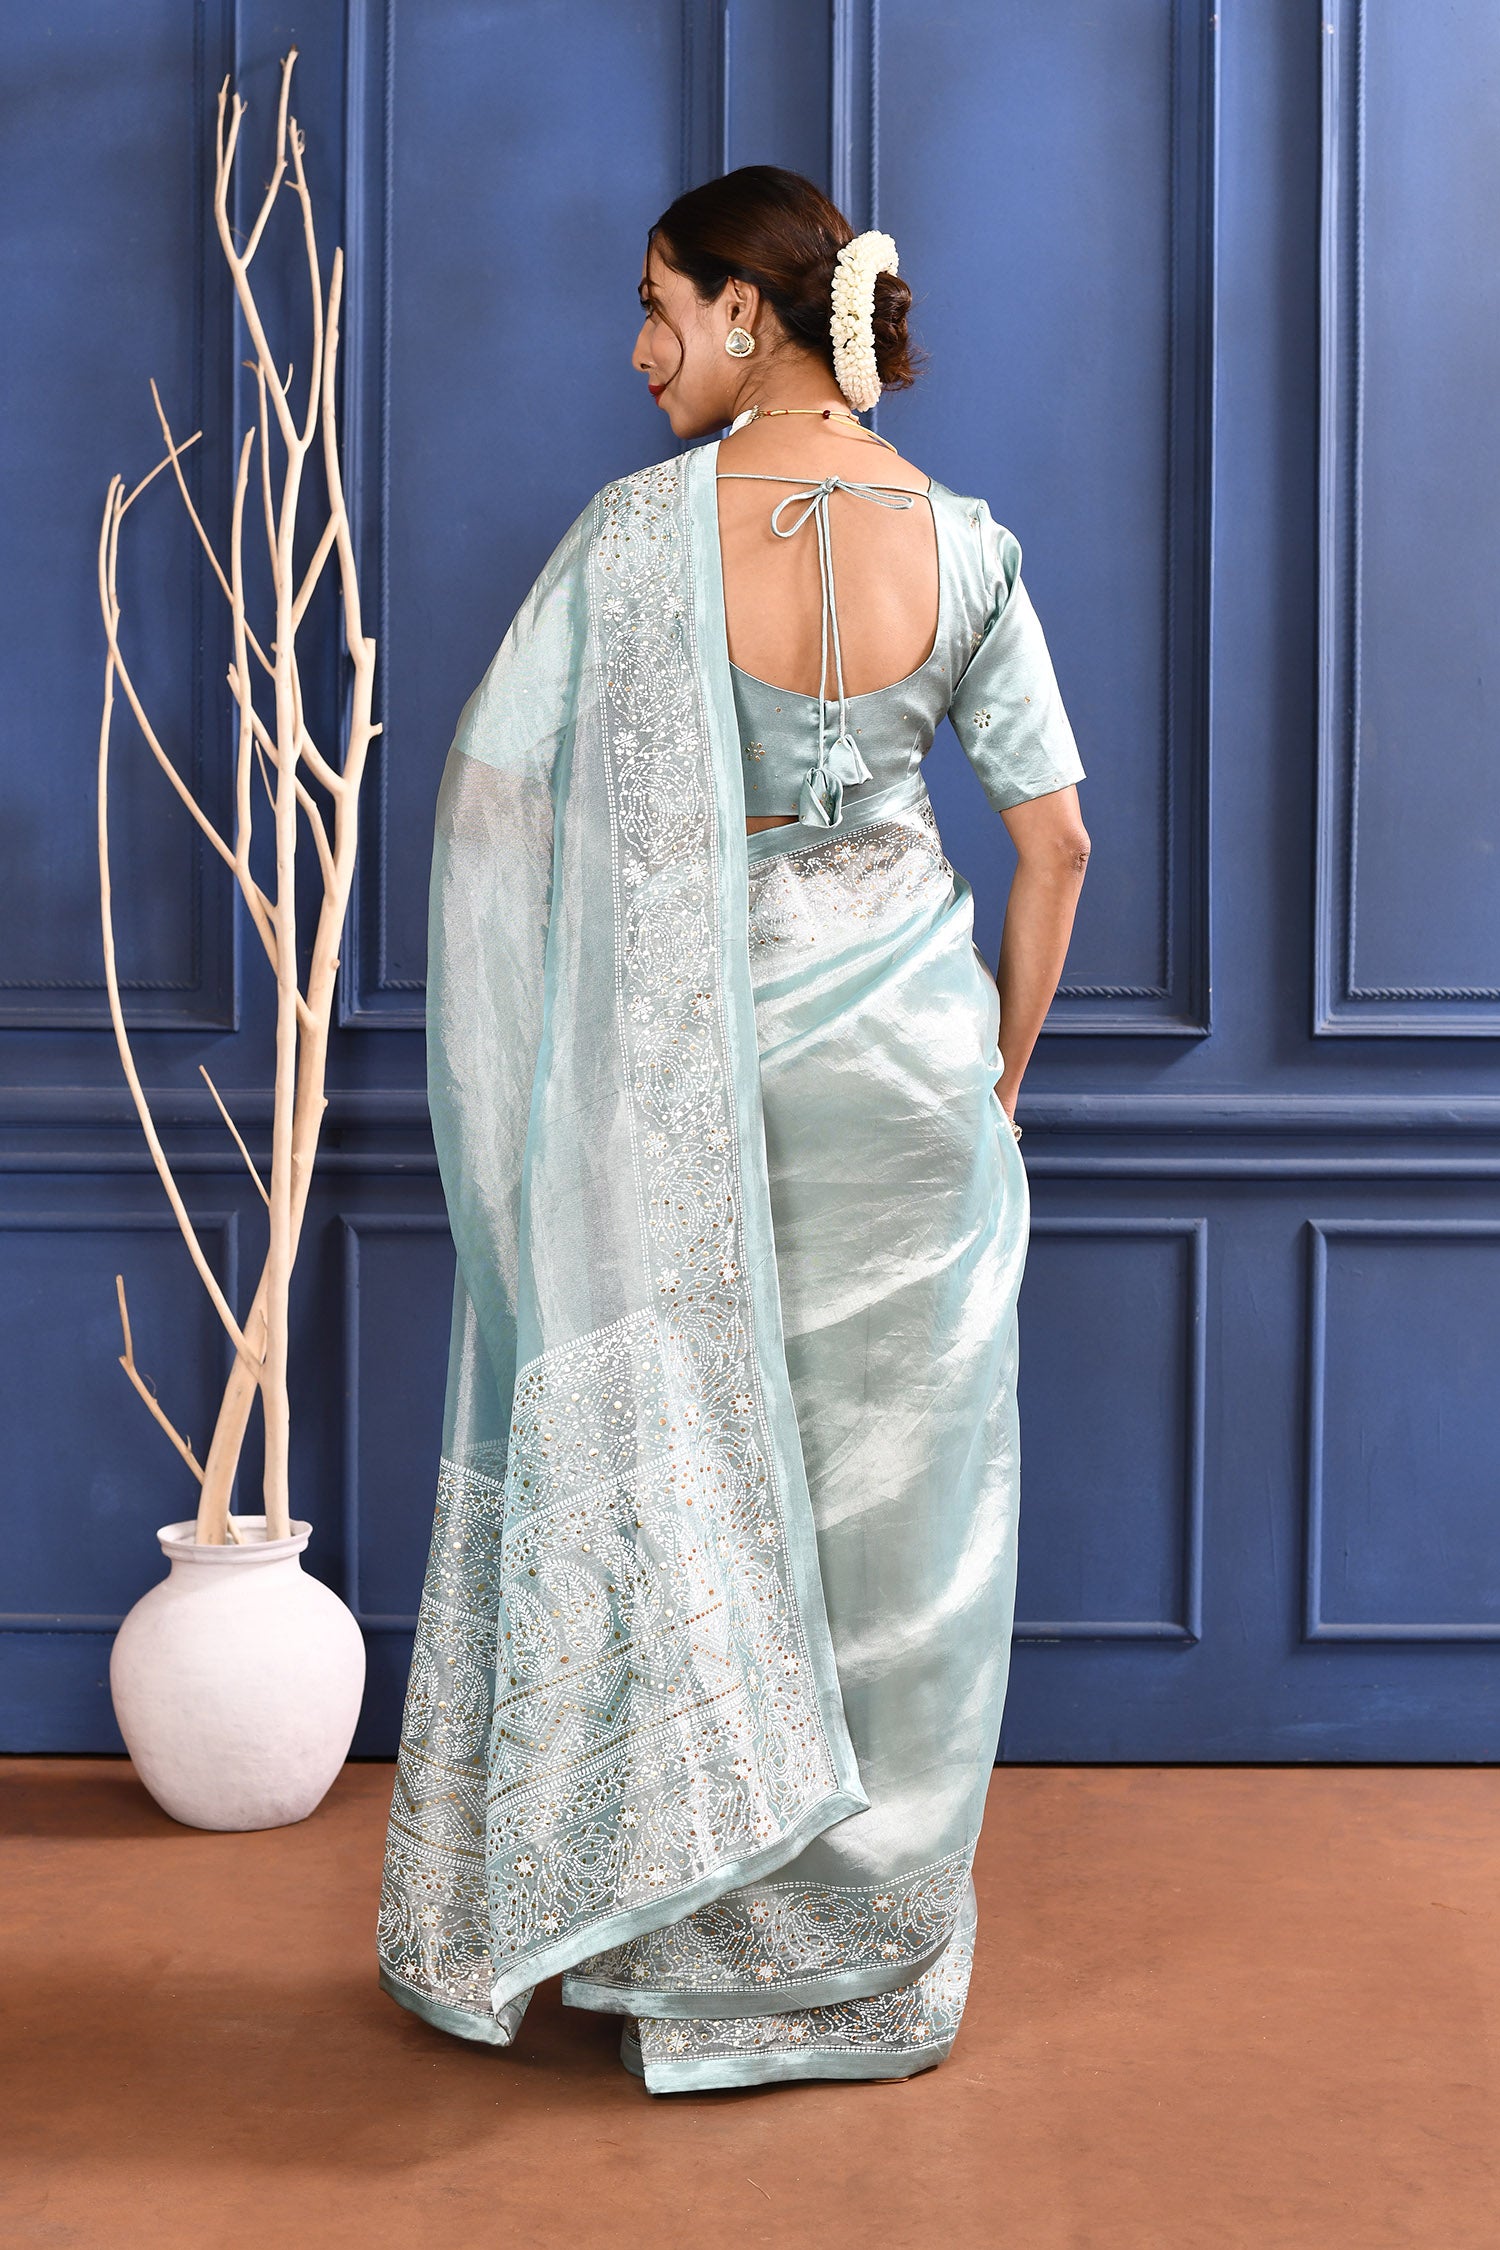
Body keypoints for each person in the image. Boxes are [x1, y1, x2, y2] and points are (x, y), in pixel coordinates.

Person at [376, 165, 1090, 2095]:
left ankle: (681, 1926)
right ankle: (862, 1955)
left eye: (657, 305)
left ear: (749, 313)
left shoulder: (637, 539)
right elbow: (1055, 844)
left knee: (708, 1483)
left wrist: (579, 999)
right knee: (907, 1525)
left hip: (696, 1078)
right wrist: (999, 1081)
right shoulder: (967, 544)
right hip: (915, 1083)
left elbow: (492, 795)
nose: (639, 350)